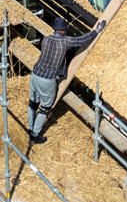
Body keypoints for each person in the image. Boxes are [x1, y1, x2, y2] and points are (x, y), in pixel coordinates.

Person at [28, 16, 105, 144]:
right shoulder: (65, 42)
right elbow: (83, 40)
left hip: (35, 75)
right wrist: (97, 30)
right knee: (45, 108)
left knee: (33, 103)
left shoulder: (46, 39)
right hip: (47, 79)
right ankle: (35, 135)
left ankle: (30, 128)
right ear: (64, 30)